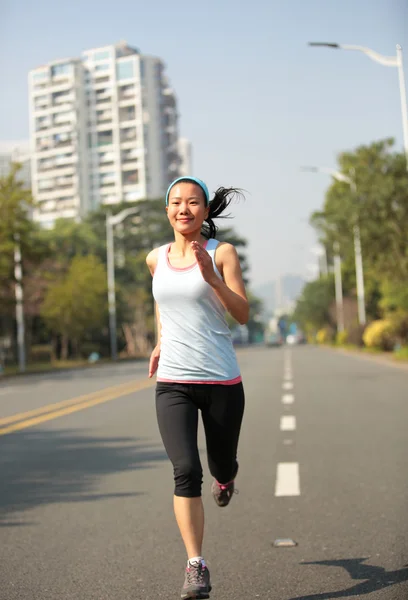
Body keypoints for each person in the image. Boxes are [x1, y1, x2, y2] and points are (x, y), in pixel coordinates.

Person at [146, 176, 249, 599]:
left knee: (219, 465)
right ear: (168, 210)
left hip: (221, 379)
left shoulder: (221, 253)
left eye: (193, 202)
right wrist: (158, 341)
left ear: (206, 211)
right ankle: (196, 565)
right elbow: (163, 303)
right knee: (186, 470)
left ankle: (226, 479)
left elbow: (241, 314)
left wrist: (214, 279)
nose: (183, 209)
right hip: (173, 382)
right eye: (176, 202)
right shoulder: (155, 258)